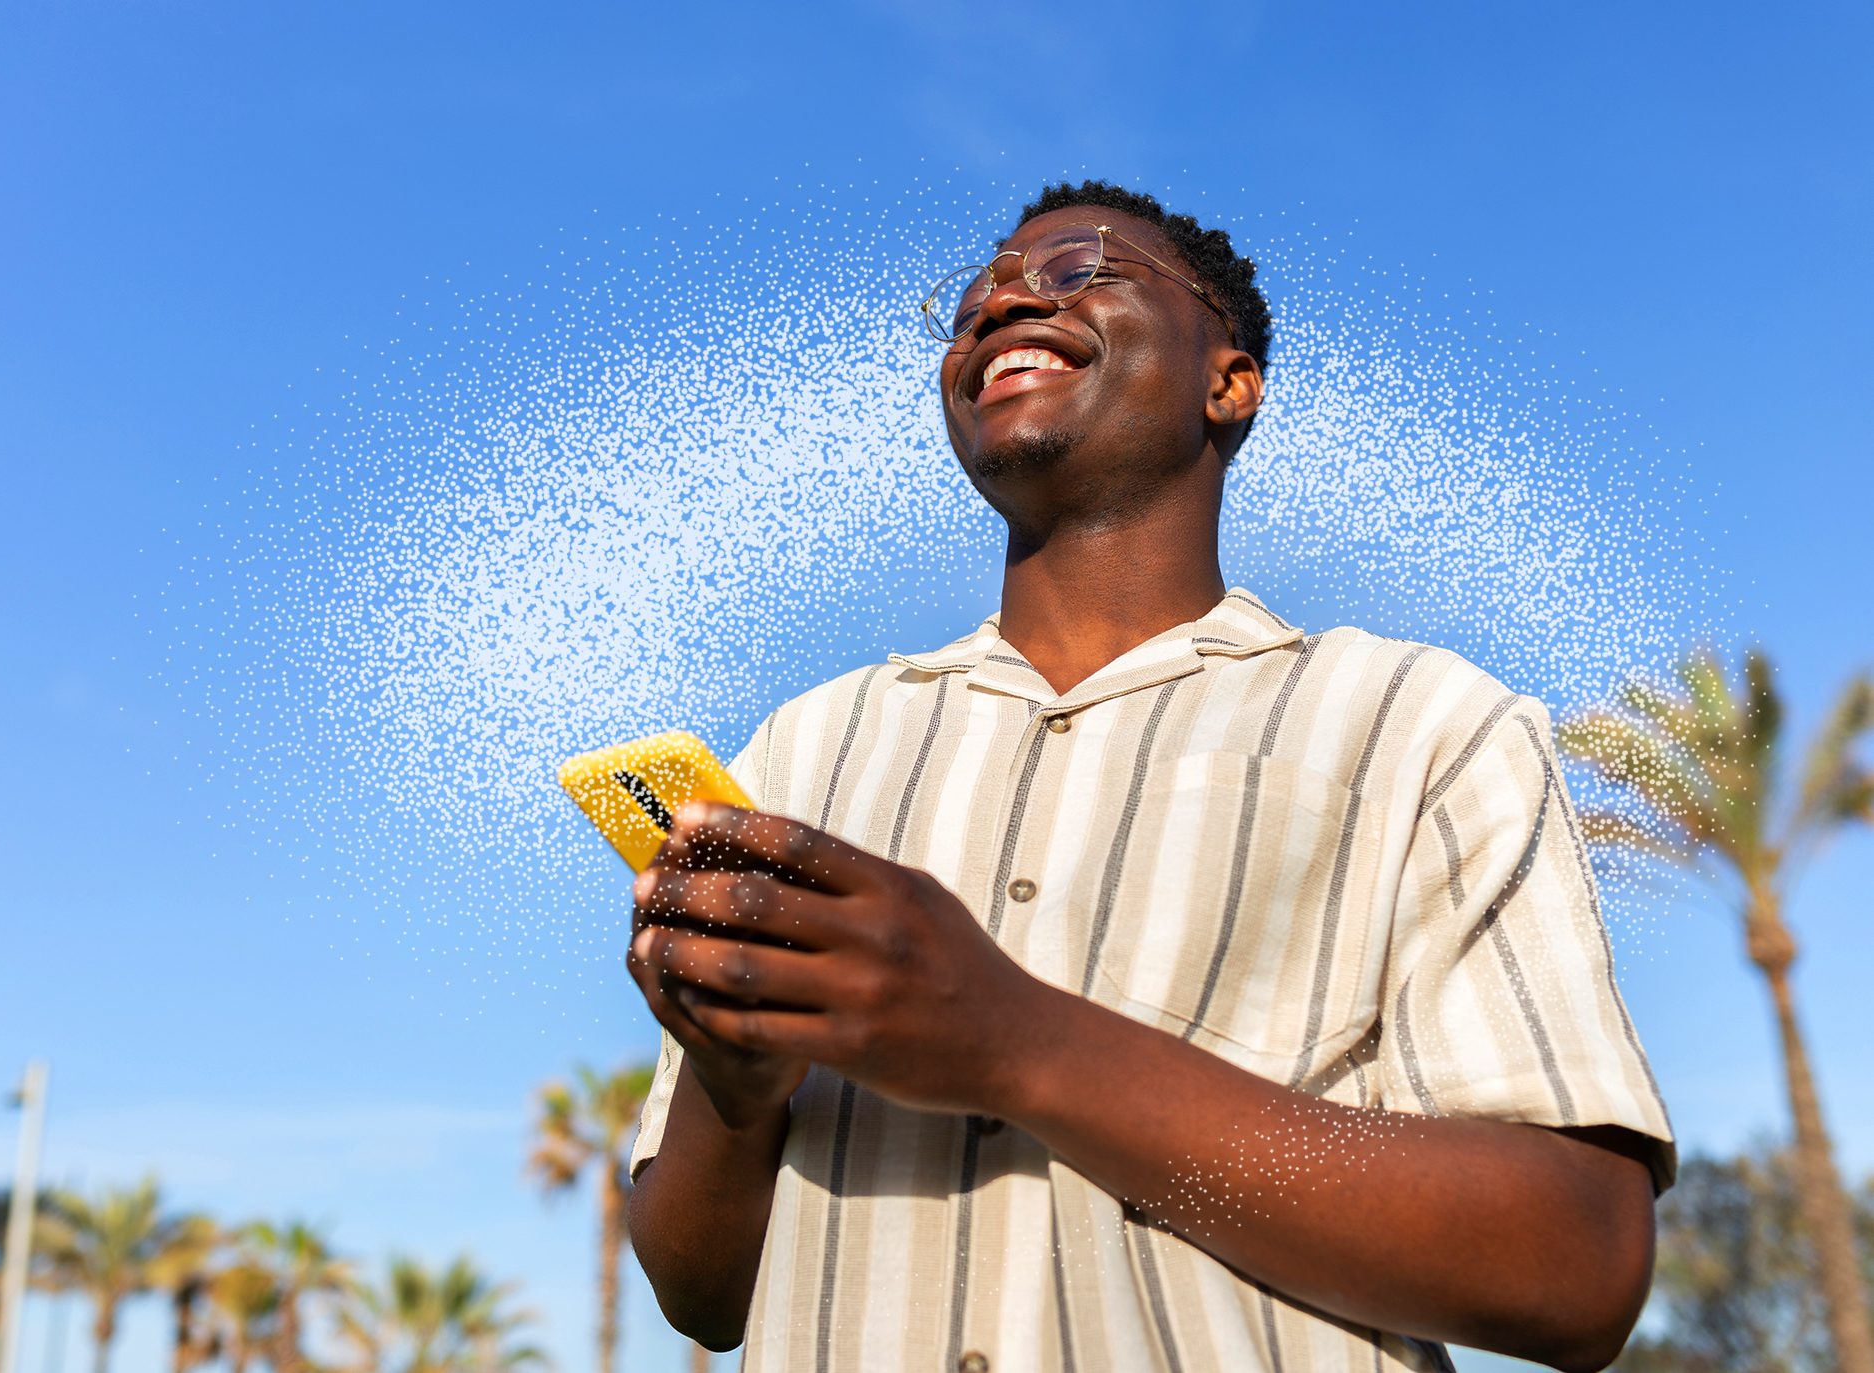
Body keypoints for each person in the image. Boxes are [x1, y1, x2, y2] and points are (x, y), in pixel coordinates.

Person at [622, 180, 1674, 1373]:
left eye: (1080, 270)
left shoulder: (1422, 722)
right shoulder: (798, 751)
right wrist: (738, 1084)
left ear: (1229, 382)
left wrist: (1021, 1044)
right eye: (973, 300)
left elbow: (1573, 1263)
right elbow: (701, 1291)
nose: (1000, 302)